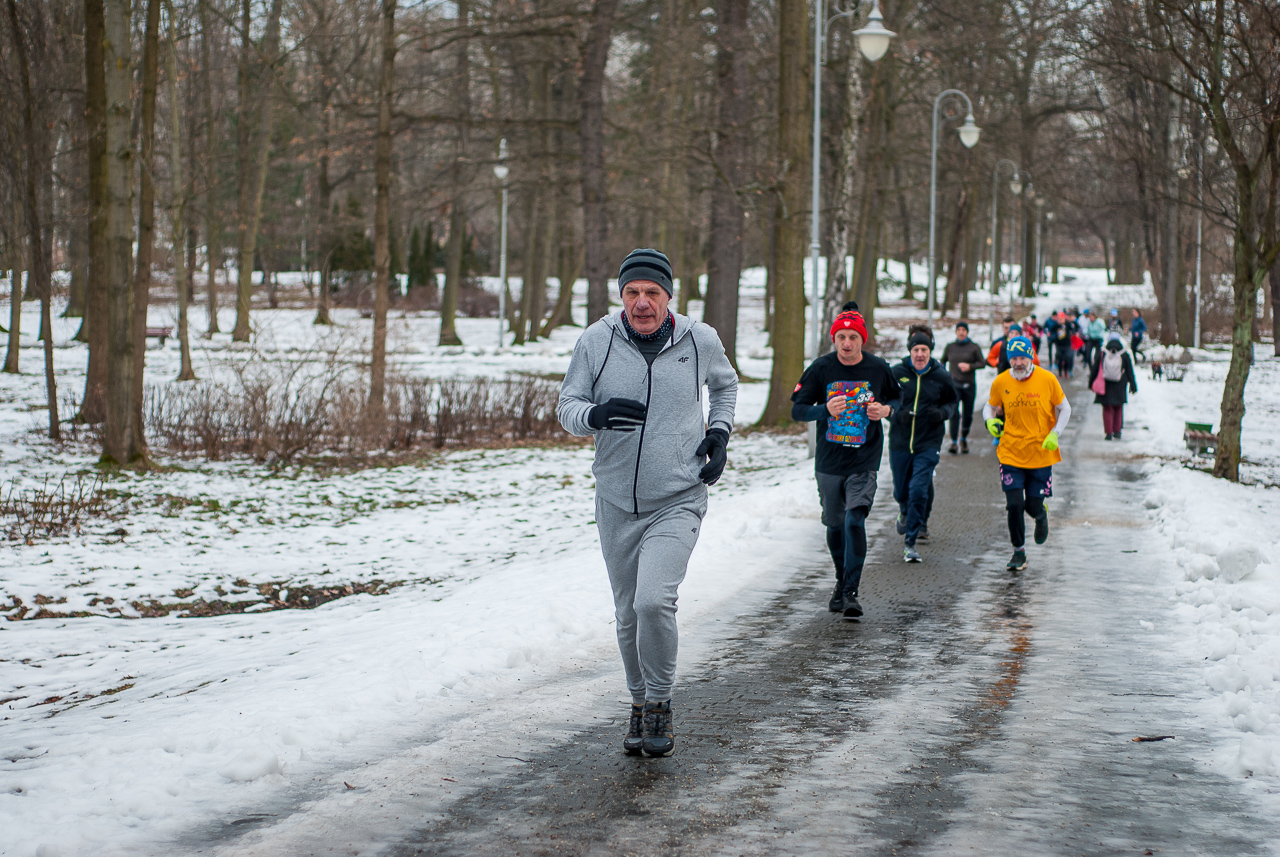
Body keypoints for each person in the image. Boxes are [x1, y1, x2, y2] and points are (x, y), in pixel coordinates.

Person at [558, 248, 737, 758]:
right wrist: (594, 415)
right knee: (627, 614)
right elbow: (566, 405)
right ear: (621, 297)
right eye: (632, 293)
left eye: (651, 293)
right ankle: (638, 705)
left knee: (652, 600)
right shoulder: (596, 341)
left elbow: (725, 386)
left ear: (669, 297)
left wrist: (719, 435)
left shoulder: (699, 340)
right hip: (615, 501)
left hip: (677, 496)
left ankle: (659, 703)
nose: (641, 303)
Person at [791, 305, 900, 619]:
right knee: (835, 524)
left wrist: (886, 410)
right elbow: (798, 410)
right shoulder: (821, 369)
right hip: (829, 460)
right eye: (842, 337)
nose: (847, 343)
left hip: (864, 458)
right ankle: (841, 580)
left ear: (862, 339)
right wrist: (825, 409)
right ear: (834, 338)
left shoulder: (878, 369)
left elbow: (897, 398)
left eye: (853, 337)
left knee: (855, 520)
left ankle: (851, 591)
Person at [983, 336, 1072, 572]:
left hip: (1041, 452)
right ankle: (1018, 551)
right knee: (1014, 504)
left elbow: (1065, 408)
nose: (1018, 363)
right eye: (1013, 358)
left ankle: (1040, 515)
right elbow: (989, 406)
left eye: (1022, 357)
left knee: (1032, 506)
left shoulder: (1047, 379)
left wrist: (1055, 433)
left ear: (1031, 356)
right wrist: (989, 421)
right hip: (1011, 452)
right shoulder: (1002, 381)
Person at [889, 330, 958, 562]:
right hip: (900, 440)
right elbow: (883, 400)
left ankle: (911, 540)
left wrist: (941, 413)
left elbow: (952, 401)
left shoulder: (941, 375)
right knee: (901, 490)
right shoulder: (897, 373)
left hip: (928, 441)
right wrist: (896, 415)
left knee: (918, 488)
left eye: (924, 350)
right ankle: (904, 509)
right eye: (916, 350)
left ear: (930, 352)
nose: (920, 354)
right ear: (910, 351)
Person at [940, 321, 984, 454]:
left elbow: (982, 363)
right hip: (954, 385)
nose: (961, 332)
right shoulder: (950, 347)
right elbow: (943, 361)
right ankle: (953, 442)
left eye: (963, 330)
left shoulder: (974, 347)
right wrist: (945, 375)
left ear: (967, 332)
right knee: (954, 413)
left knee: (967, 414)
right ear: (956, 332)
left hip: (969, 384)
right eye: (959, 330)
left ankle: (963, 438)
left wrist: (970, 366)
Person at [1090, 332, 1138, 440]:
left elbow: (1095, 369)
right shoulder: (1124, 354)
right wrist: (1133, 385)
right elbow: (1130, 371)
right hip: (1120, 384)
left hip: (1106, 385)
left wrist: (1091, 383)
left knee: (1107, 408)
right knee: (1118, 407)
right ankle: (1117, 431)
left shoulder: (1103, 353)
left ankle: (1108, 433)